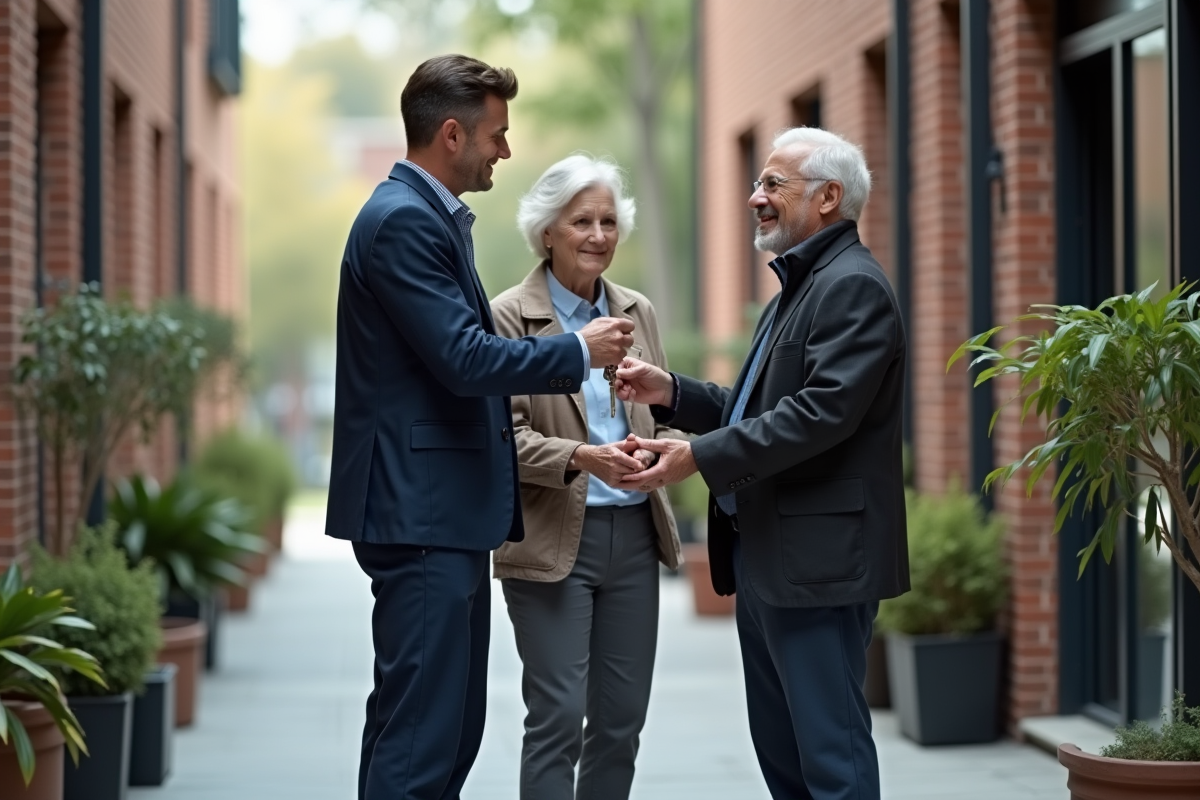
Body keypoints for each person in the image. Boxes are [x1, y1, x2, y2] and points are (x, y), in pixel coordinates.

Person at [325, 56, 636, 800]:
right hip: (421, 511)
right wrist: (575, 351)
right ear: (453, 133)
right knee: (422, 738)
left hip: (439, 513)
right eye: (496, 134)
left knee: (441, 728)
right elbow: (463, 360)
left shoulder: (424, 217)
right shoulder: (403, 221)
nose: (504, 149)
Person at [614, 127, 909, 800]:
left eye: (773, 184)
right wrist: (675, 394)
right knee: (785, 759)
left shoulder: (852, 287)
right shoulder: (796, 290)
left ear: (830, 197)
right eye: (758, 183)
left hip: (819, 563)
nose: (755, 198)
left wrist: (698, 458)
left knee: (830, 759)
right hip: (773, 557)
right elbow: (761, 409)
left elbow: (820, 415)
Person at [489, 154, 683, 800]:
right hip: (550, 543)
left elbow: (663, 419)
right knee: (558, 718)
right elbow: (502, 442)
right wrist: (580, 458)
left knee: (621, 722)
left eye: (608, 220)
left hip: (632, 538)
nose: (599, 235)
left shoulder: (637, 312)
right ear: (547, 231)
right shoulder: (510, 317)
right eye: (581, 222)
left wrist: (662, 455)